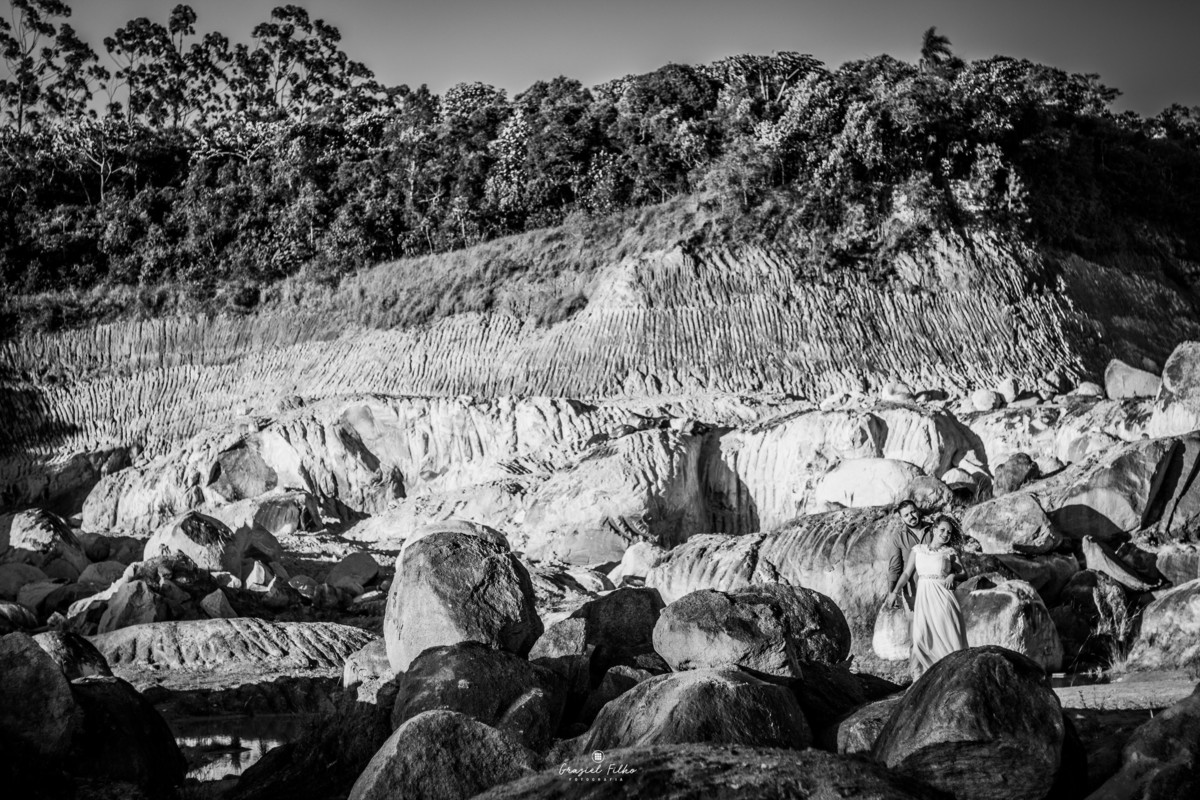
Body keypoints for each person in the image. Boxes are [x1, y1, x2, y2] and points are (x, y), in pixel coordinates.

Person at [885, 514, 968, 679]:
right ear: (934, 529)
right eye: (942, 530)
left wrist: (953, 576)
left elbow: (964, 574)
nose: (945, 534)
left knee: (947, 637)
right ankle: (925, 680)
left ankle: (953, 677)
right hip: (924, 599)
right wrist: (894, 592)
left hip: (944, 600)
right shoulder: (918, 550)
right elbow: (907, 573)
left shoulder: (949, 552)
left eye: (949, 533)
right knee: (921, 637)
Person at [884, 500, 930, 610]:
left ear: (918, 511)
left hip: (935, 588)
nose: (911, 516)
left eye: (913, 512)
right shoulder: (898, 537)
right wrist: (892, 593)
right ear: (902, 518)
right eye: (906, 515)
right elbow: (894, 568)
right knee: (914, 625)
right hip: (913, 591)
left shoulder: (933, 530)